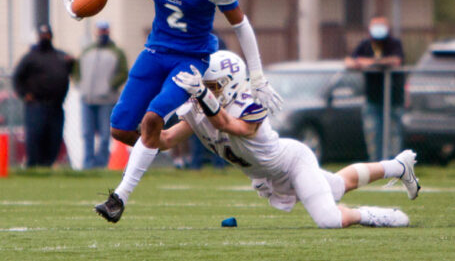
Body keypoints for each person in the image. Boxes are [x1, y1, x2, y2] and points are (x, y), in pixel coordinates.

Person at [59, 0, 282, 220]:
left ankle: (118, 198)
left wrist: (257, 76)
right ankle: (179, 137)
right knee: (121, 129)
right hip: (155, 52)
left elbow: (241, 25)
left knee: (152, 119)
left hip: (191, 58)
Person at [94, 51, 420, 228]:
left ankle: (380, 216)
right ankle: (398, 166)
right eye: (207, 86)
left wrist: (204, 98)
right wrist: (147, 119)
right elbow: (164, 140)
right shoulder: (197, 110)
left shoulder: (250, 107)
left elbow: (231, 126)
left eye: (215, 86)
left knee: (328, 219)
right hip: (267, 175)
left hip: (291, 162)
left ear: (232, 84)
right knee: (336, 185)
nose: (209, 91)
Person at [12, 24, 74, 167]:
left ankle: (48, 165)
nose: (44, 38)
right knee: (36, 135)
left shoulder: (60, 56)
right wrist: (24, 94)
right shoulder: (30, 57)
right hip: (36, 105)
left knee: (54, 137)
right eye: (42, 35)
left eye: (47, 35)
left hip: (56, 104)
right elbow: (17, 77)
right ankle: (34, 166)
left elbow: (70, 72)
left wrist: (71, 63)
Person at [344, 16, 405, 161]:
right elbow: (349, 61)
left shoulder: (393, 43)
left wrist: (371, 62)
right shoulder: (365, 44)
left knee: (393, 135)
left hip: (393, 99)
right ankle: (376, 168)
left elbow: (396, 61)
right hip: (373, 99)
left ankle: (395, 168)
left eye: (381, 26)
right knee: (373, 135)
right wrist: (358, 64)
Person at [72, 21, 128, 169]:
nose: (102, 33)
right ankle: (88, 165)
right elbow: (76, 70)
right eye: (100, 30)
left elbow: (123, 72)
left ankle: (101, 164)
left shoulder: (117, 52)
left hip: (107, 100)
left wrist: (110, 86)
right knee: (87, 134)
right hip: (87, 99)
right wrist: (80, 84)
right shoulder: (87, 50)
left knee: (105, 134)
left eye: (105, 30)